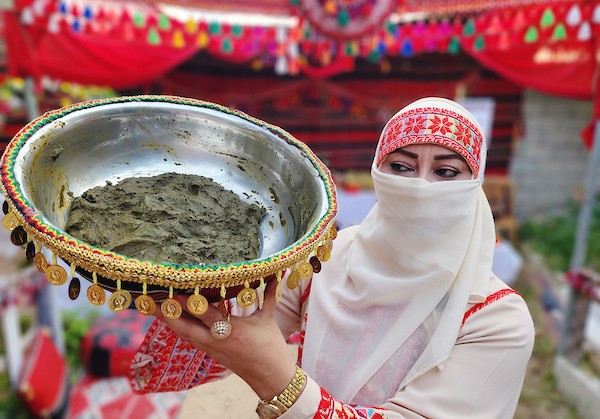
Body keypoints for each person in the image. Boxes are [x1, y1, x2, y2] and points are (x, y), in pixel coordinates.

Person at [130, 97, 535, 418]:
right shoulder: (332, 255)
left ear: (474, 183)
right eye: (401, 166)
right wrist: (183, 274)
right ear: (378, 171)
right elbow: (232, 328)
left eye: (446, 172)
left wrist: (276, 377)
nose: (420, 187)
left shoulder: (495, 321)